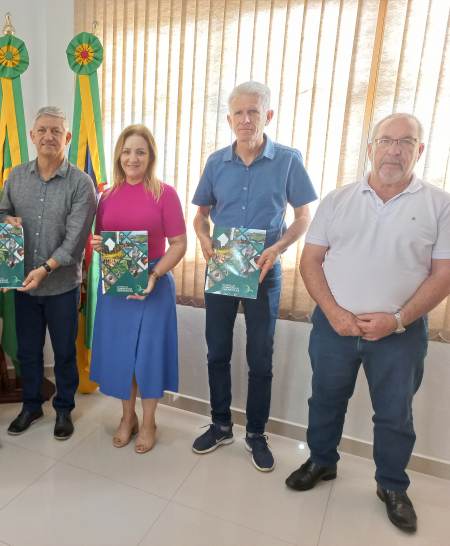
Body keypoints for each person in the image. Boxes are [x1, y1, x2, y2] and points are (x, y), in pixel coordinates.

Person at [285, 113, 450, 533]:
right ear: (370, 147)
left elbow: (443, 273)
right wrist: (336, 313)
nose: (394, 150)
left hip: (400, 334)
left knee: (395, 415)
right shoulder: (338, 200)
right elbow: (310, 261)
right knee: (324, 400)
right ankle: (322, 461)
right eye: (386, 140)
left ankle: (392, 485)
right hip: (333, 328)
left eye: (406, 141)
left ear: (420, 150)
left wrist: (397, 320)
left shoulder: (439, 203)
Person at [191, 82, 318, 471]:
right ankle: (221, 424)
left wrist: (277, 249)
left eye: (254, 112)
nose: (246, 120)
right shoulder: (215, 162)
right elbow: (200, 216)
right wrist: (204, 238)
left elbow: (303, 217)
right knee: (217, 351)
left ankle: (256, 433)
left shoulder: (289, 160)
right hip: (223, 270)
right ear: (229, 119)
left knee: (260, 357)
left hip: (266, 272)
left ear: (268, 116)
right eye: (239, 113)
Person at [0, 106, 97, 440]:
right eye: (42, 130)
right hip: (23, 285)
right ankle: (31, 405)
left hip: (61, 287)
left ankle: (64, 409)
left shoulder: (82, 184)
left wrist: (44, 270)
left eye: (56, 131)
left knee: (65, 352)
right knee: (27, 351)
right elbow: (2, 213)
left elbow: (74, 241)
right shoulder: (15, 176)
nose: (48, 136)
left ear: (67, 137)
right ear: (32, 135)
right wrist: (6, 222)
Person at [90, 124, 187, 453]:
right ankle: (127, 418)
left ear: (151, 156)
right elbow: (104, 241)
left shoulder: (165, 194)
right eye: (127, 151)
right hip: (117, 286)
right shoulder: (107, 196)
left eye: (140, 152)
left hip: (153, 285)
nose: (132, 158)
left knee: (148, 357)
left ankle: (148, 422)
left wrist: (155, 275)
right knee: (121, 356)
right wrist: (99, 245)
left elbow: (179, 244)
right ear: (118, 154)